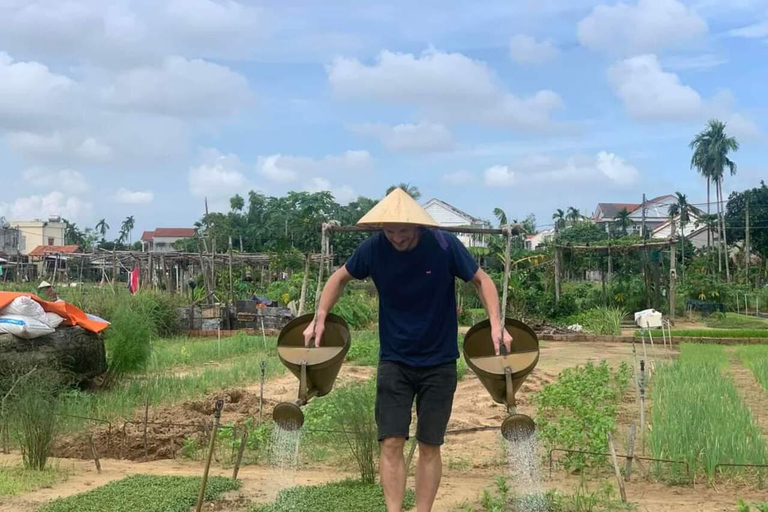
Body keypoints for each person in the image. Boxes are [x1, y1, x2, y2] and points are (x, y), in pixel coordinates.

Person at [303, 188, 512, 512]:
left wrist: (496, 324)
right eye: (390, 231)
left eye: (403, 231)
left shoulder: (443, 245)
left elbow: (482, 281)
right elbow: (339, 278)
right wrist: (319, 317)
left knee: (430, 444)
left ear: (418, 226)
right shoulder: (373, 248)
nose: (397, 238)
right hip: (394, 361)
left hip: (440, 362)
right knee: (391, 441)